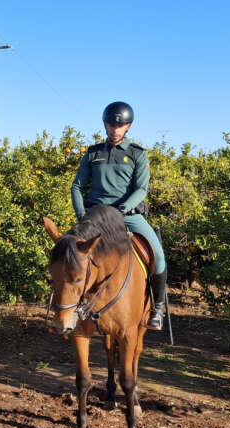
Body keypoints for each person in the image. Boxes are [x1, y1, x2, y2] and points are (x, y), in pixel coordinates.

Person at [71, 101, 167, 330]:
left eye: (120, 126)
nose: (115, 130)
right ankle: (66, 305)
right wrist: (81, 214)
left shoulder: (137, 154)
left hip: (127, 215)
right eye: (110, 125)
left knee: (160, 257)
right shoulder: (93, 153)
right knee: (68, 251)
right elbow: (77, 186)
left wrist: (123, 209)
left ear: (128, 127)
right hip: (95, 215)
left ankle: (157, 309)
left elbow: (141, 189)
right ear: (105, 125)